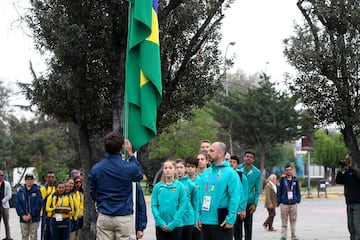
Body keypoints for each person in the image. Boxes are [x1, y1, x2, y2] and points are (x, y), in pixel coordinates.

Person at [89, 131, 144, 240]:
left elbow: (93, 194)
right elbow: (139, 175)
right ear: (121, 148)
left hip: (104, 215)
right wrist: (131, 154)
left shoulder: (96, 169)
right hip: (124, 217)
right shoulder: (129, 167)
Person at [197, 142, 241, 240]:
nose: (208, 152)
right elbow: (199, 196)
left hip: (221, 222)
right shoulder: (206, 172)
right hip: (205, 221)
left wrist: (231, 218)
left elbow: (235, 197)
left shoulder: (230, 173)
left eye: (211, 151)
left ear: (220, 154)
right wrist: (198, 216)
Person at [151, 160, 187, 240]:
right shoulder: (157, 187)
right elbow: (154, 205)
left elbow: (182, 206)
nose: (168, 170)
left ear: (174, 170)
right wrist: (161, 223)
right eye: (165, 168)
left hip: (176, 226)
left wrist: (172, 224)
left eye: (170, 168)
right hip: (160, 225)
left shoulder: (180, 186)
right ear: (163, 170)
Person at [237, 150, 261, 240]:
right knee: (237, 227)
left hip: (249, 203)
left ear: (253, 160)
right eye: (247, 156)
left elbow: (258, 189)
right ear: (244, 157)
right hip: (238, 202)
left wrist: (255, 203)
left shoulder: (256, 172)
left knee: (248, 226)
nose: (248, 158)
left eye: (251, 157)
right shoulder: (238, 169)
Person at [336, 154, 360, 240]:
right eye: (347, 160)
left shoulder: (356, 172)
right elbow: (339, 180)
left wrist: (353, 168)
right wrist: (340, 169)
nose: (348, 162)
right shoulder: (347, 172)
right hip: (349, 202)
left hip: (358, 202)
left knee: (357, 226)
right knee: (351, 226)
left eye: (349, 160)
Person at [15, 173, 43, 240]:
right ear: (25, 181)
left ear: (33, 180)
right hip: (23, 218)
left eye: (31, 179)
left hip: (34, 218)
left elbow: (38, 204)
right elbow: (18, 204)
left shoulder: (37, 191)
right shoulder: (21, 191)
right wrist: (22, 215)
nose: (29, 181)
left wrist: (31, 215)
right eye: (27, 179)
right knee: (24, 235)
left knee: (33, 235)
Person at [277, 164, 301, 240]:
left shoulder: (295, 180)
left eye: (290, 170)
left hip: (293, 204)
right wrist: (279, 201)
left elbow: (298, 191)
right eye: (287, 170)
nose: (288, 171)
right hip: (284, 204)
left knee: (293, 220)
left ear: (292, 171)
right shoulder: (282, 180)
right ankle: (283, 236)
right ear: (285, 171)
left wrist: (297, 200)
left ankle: (293, 236)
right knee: (284, 221)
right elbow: (279, 191)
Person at [175, 159, 198, 240]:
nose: (179, 170)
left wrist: (196, 219)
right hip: (174, 220)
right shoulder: (171, 184)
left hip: (187, 220)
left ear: (185, 169)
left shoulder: (191, 185)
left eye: (181, 167)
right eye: (177, 167)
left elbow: (195, 204)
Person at [229, 155, 248, 240]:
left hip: (238, 210)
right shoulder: (225, 174)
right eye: (230, 162)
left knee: (238, 233)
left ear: (237, 164)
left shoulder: (242, 177)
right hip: (227, 209)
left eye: (234, 162)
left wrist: (242, 209)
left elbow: (244, 194)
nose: (231, 164)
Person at [185, 156, 202, 240]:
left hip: (197, 217)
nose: (190, 169)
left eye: (192, 167)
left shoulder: (201, 181)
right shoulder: (182, 181)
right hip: (186, 218)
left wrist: (199, 217)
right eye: (188, 166)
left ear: (196, 168)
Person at [40, 171, 56, 240]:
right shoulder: (43, 188)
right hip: (45, 215)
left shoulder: (56, 188)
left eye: (52, 177)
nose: (51, 179)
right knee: (45, 233)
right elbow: (40, 201)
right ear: (46, 178)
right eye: (49, 177)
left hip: (54, 214)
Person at [0, 170, 13, 240]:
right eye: (0, 175)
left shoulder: (7, 184)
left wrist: (2, 201)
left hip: (5, 206)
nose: (1, 177)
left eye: (2, 175)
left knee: (6, 222)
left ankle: (8, 236)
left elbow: (9, 195)